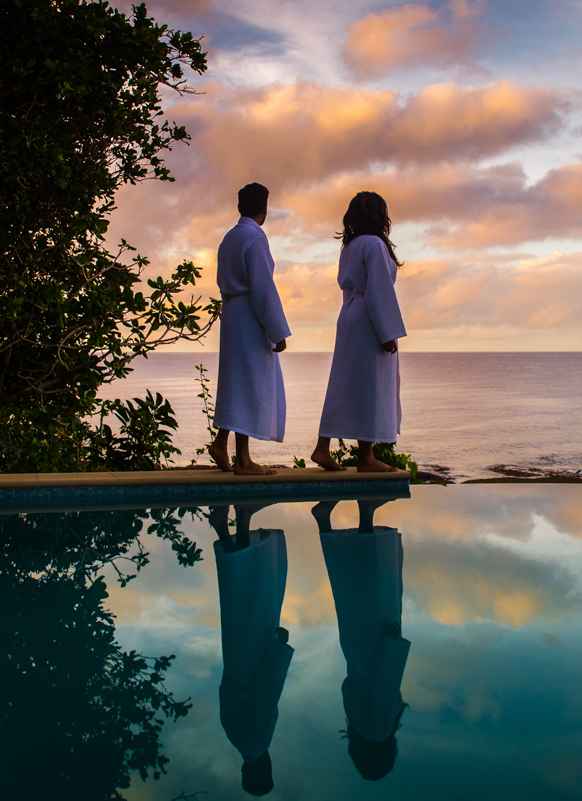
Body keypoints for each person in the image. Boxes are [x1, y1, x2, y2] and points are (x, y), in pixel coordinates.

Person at [312, 498, 410, 781]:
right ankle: (323, 520)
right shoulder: (356, 725)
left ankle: (366, 510)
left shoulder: (379, 731)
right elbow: (350, 688)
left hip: (375, 652)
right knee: (350, 588)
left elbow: (384, 687)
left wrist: (392, 645)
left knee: (373, 584)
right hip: (355, 653)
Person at [311, 191, 406, 473]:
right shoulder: (375, 245)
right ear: (379, 216)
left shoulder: (350, 246)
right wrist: (387, 331)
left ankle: (323, 447)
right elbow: (379, 290)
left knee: (344, 382)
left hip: (350, 315)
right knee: (370, 385)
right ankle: (366, 457)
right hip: (368, 318)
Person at [209, 503, 293, 797]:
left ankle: (243, 519)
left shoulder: (258, 742)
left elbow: (267, 694)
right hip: (234, 659)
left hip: (253, 660)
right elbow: (224, 692)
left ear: (264, 768)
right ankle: (223, 524)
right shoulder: (233, 736)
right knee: (239, 593)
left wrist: (279, 650)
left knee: (253, 588)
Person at [208, 182, 291, 476]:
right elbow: (262, 287)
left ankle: (221, 443)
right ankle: (242, 459)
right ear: (264, 208)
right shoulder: (254, 238)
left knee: (235, 383)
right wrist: (277, 330)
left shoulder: (230, 238)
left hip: (232, 314)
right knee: (249, 384)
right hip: (250, 316)